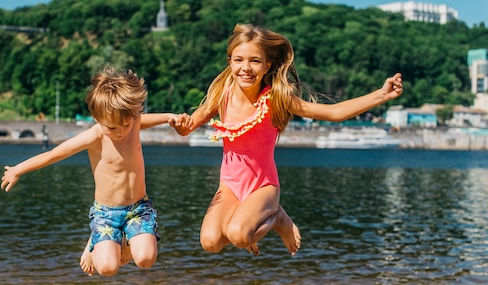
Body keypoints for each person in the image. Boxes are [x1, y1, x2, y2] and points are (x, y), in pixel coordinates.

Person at [173, 23, 403, 257]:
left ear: (267, 66)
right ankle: (251, 226)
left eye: (255, 61)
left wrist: (382, 94)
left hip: (263, 187)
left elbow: (334, 113)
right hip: (229, 186)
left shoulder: (275, 98)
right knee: (210, 243)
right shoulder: (222, 95)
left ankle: (278, 218)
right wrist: (181, 126)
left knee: (239, 236)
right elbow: (187, 128)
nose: (246, 68)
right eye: (239, 60)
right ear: (230, 61)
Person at [1, 68, 190, 276]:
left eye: (125, 125)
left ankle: (126, 238)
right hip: (106, 213)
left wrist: (168, 118)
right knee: (107, 269)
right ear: (97, 117)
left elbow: (143, 120)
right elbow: (53, 155)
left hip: (138, 207)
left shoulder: (133, 122)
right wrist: (18, 169)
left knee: (145, 259)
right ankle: (95, 241)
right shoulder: (94, 136)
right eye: (112, 128)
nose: (120, 132)